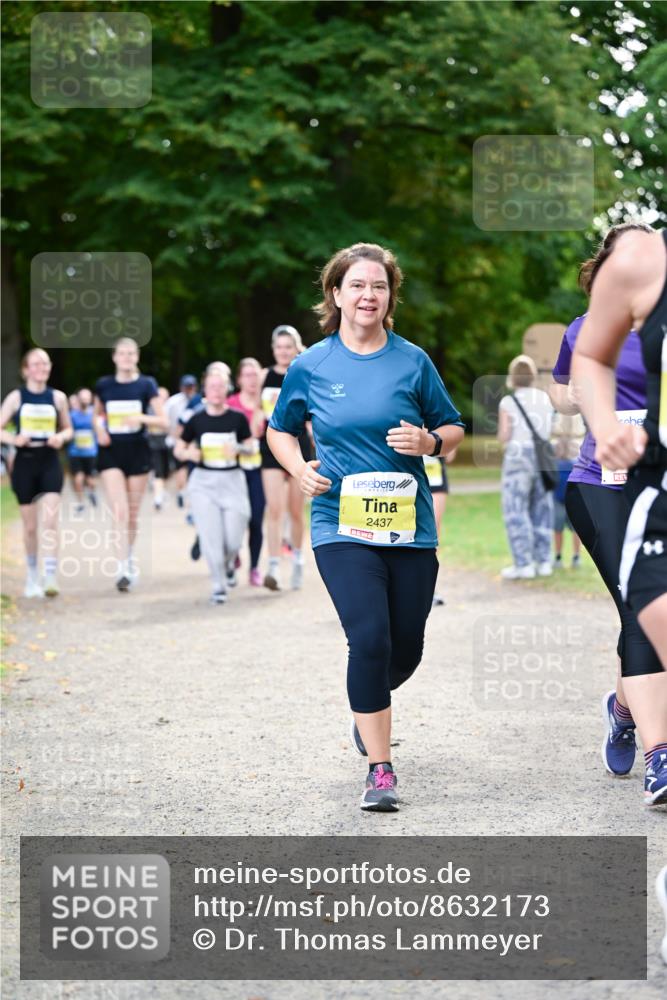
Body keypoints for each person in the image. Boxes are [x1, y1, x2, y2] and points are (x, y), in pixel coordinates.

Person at [267, 242, 464, 812]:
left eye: (378, 286)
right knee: (370, 639)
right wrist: (298, 467)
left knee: (406, 649)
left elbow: (451, 426)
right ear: (336, 294)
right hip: (339, 522)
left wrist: (430, 443)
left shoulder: (412, 361)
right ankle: (381, 769)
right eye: (357, 285)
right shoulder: (312, 364)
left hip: (409, 526)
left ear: (389, 296)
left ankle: (369, 701)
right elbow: (280, 429)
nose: (368, 295)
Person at [549, 224, 663, 795]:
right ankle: (659, 754)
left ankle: (623, 709)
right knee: (641, 606)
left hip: (657, 487)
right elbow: (565, 390)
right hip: (599, 483)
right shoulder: (586, 327)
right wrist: (596, 405)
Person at [93, 338, 167, 592]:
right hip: (111, 452)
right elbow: (97, 416)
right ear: (114, 357)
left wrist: (141, 418)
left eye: (131, 353)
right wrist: (99, 430)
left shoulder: (146, 384)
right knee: (120, 511)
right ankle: (121, 567)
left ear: (137, 357)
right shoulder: (104, 385)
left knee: (132, 514)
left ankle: (130, 555)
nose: (126, 357)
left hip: (138, 452)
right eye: (122, 353)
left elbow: (163, 421)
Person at [174, 367, 252, 604]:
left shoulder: (238, 418)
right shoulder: (196, 419)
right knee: (211, 537)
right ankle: (218, 584)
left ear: (227, 389)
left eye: (221, 386)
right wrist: (190, 453)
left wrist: (238, 448)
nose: (217, 391)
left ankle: (229, 562)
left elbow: (251, 447)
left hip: (233, 481)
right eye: (212, 387)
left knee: (233, 539)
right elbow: (178, 448)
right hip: (203, 483)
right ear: (204, 390)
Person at [0, 348, 72, 597]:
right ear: (25, 369)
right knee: (30, 527)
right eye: (36, 364)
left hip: (49, 460)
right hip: (25, 463)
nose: (42, 368)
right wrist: (14, 438)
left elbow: (68, 429)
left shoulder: (58, 398)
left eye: (45, 363)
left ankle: (50, 576)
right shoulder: (16, 397)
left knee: (50, 521)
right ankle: (32, 576)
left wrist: (60, 437)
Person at [260, 325, 312, 591]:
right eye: (279, 347)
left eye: (287, 347)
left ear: (296, 349)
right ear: (273, 349)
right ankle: (272, 567)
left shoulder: (302, 375)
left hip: (297, 445)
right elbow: (251, 408)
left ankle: (299, 561)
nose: (283, 351)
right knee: (274, 509)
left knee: (295, 510)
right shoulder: (264, 376)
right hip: (270, 447)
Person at [497, 355, 555, 579]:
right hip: (542, 457)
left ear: (513, 377)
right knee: (542, 507)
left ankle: (523, 564)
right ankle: (544, 561)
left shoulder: (508, 402)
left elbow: (504, 435)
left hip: (517, 457)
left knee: (515, 509)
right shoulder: (545, 399)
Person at [227, 358, 267, 586]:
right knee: (235, 518)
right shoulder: (231, 404)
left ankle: (253, 567)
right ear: (240, 379)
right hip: (234, 470)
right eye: (248, 375)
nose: (252, 380)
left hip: (259, 469)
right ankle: (234, 554)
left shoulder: (268, 403)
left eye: (256, 375)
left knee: (256, 519)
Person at [424, 446, 456, 606]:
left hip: (434, 475)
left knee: (433, 534)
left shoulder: (439, 420)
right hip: (405, 477)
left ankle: (429, 589)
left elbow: (450, 455)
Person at [166, 375, 201, 508]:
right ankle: (183, 492)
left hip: (192, 442)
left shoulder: (197, 400)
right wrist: (178, 440)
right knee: (181, 468)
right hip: (180, 440)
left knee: (187, 469)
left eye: (191, 386)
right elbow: (177, 423)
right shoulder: (175, 401)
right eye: (187, 387)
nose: (189, 389)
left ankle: (185, 494)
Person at [67, 387, 98, 512]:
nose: (85, 400)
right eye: (83, 398)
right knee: (78, 478)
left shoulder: (94, 414)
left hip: (91, 452)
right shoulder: (72, 415)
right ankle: (81, 502)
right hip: (75, 452)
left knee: (90, 479)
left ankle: (91, 492)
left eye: (87, 398)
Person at [148, 386, 171, 511]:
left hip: (167, 444)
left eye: (165, 397)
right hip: (154, 444)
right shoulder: (150, 410)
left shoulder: (170, 409)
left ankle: (160, 493)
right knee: (159, 472)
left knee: (165, 473)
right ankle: (157, 499)